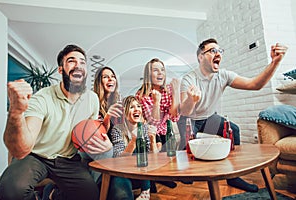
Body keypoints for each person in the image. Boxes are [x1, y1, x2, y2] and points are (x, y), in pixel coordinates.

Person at [0, 44, 107, 200]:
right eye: (71, 61)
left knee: (90, 195)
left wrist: (105, 144)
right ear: (61, 69)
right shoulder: (43, 98)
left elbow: (90, 133)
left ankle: (54, 194)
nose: (78, 66)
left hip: (68, 160)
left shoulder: (92, 99)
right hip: (36, 156)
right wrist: (16, 111)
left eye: (82, 62)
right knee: (10, 191)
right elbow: (22, 148)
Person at [179, 38, 288, 192]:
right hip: (190, 118)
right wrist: (191, 99)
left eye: (219, 51)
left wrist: (275, 62)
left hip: (210, 116)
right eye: (212, 50)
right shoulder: (189, 79)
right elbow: (184, 111)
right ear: (200, 57)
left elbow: (255, 84)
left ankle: (232, 177)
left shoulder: (224, 75)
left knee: (233, 130)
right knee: (186, 147)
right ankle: (184, 172)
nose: (218, 54)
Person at [136, 58, 181, 190]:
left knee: (168, 153)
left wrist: (176, 91)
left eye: (162, 70)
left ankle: (164, 177)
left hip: (165, 127)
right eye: (155, 70)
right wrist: (156, 102)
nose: (160, 73)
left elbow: (174, 116)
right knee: (152, 154)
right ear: (148, 75)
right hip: (149, 130)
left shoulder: (168, 90)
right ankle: (151, 180)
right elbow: (153, 122)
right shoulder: (141, 95)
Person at [110, 95, 158, 200]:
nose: (136, 109)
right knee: (122, 196)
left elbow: (154, 160)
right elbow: (118, 159)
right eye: (132, 107)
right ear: (125, 112)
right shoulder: (117, 130)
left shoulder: (145, 128)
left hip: (142, 174)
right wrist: (133, 141)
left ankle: (146, 191)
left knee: (143, 153)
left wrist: (153, 140)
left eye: (138, 106)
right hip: (123, 172)